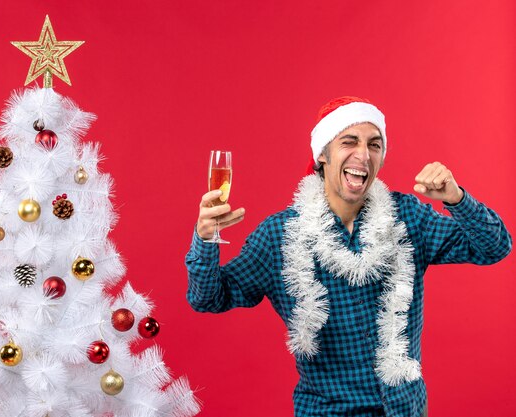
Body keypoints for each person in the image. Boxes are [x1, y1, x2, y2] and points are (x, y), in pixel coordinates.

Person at [185, 96, 512, 417]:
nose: (363, 155)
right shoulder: (279, 236)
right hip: (328, 412)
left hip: (407, 410)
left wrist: (456, 199)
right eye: (349, 142)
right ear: (322, 155)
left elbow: (494, 246)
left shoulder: (408, 218)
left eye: (374, 144)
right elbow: (209, 298)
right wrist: (205, 238)